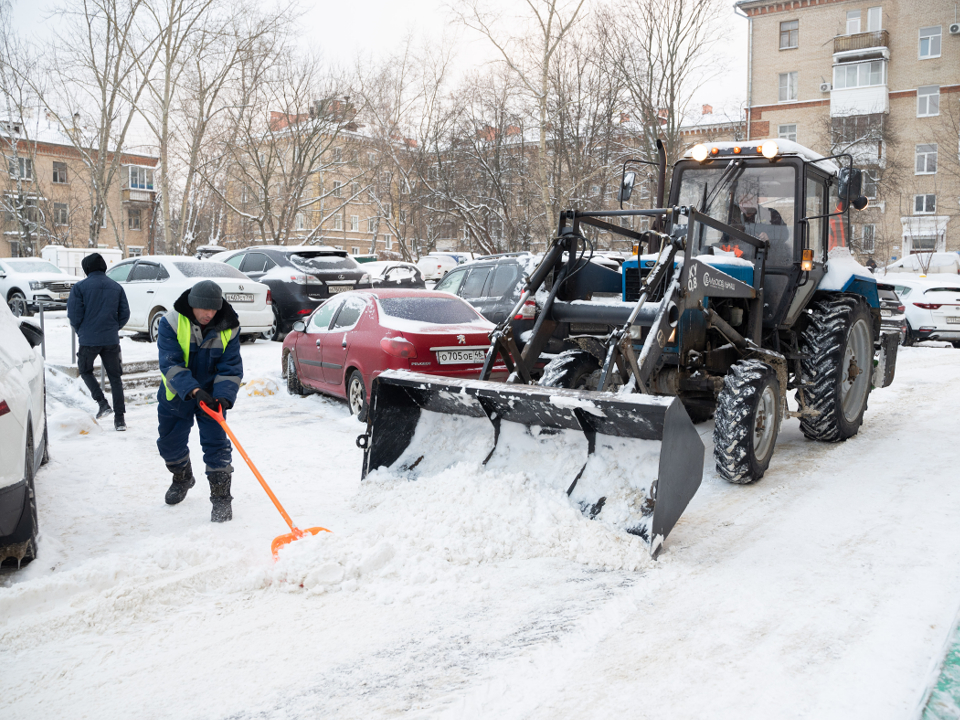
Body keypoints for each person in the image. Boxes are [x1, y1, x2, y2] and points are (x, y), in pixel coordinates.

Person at [156, 280, 242, 522]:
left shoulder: (229, 327)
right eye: (204, 309)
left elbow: (231, 366)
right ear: (192, 305)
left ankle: (221, 499)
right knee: (169, 446)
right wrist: (193, 390)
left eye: (214, 309)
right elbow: (170, 364)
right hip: (177, 394)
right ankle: (183, 476)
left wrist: (223, 396)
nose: (209, 314)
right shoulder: (171, 322)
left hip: (213, 397)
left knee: (217, 445)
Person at [66, 253, 130, 431]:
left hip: (88, 340)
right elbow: (125, 313)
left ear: (86, 268)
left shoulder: (79, 288)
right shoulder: (116, 287)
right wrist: (113, 328)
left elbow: (74, 315)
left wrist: (82, 330)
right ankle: (120, 420)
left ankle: (102, 403)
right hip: (111, 340)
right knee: (115, 378)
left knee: (85, 371)